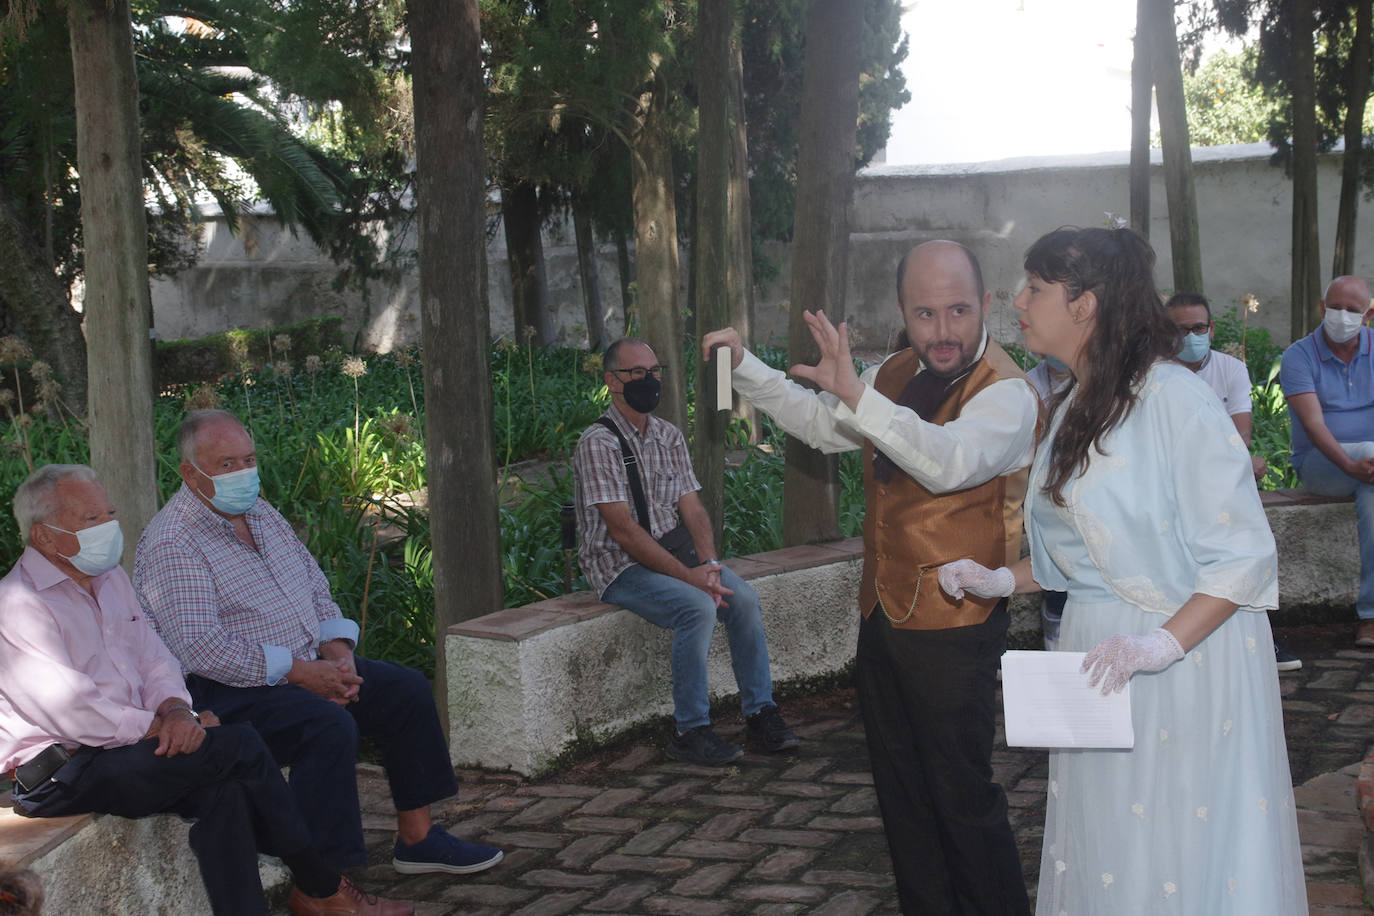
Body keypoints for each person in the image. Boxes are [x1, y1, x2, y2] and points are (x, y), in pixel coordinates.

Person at [940, 227, 1306, 913]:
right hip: (1096, 654)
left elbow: (1243, 554)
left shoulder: (1175, 399)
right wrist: (1000, 579)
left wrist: (1156, 645)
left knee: (1175, 841)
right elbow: (1082, 549)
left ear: (1086, 303)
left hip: (1182, 660)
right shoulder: (1078, 400)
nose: (1017, 301)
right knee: (1106, 846)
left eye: (1036, 287)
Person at [704, 240, 1039, 914]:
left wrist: (856, 393)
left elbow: (947, 462)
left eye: (957, 310)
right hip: (883, 615)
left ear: (987, 305)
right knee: (903, 797)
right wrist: (744, 369)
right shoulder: (893, 371)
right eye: (924, 313)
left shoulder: (1010, 394)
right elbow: (825, 425)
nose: (941, 331)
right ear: (901, 311)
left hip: (957, 626)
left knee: (962, 798)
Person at [0, 464, 410, 916]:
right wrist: (160, 726)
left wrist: (177, 711)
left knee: (226, 792)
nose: (108, 528)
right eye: (91, 520)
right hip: (61, 771)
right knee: (240, 744)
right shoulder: (17, 605)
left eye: (109, 514)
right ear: (44, 537)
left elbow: (155, 657)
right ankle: (322, 884)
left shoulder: (109, 578)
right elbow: (72, 708)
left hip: (126, 749)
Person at [133, 410, 502, 877]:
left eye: (248, 459)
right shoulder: (173, 540)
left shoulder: (260, 511)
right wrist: (298, 673)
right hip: (226, 690)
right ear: (191, 473)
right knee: (325, 727)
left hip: (303, 667)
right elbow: (201, 648)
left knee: (403, 689)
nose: (244, 473)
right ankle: (324, 882)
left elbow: (312, 583)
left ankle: (419, 839)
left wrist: (338, 651)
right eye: (226, 464)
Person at [572, 337, 798, 767]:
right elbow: (622, 531)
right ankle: (690, 731)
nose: (649, 380)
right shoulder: (597, 443)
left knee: (743, 600)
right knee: (697, 607)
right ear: (611, 381)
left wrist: (710, 565)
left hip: (671, 555)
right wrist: (689, 578)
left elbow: (692, 508)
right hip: (619, 567)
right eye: (636, 373)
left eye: (655, 371)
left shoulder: (667, 435)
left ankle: (760, 712)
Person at [1167, 292, 1301, 672]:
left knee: (1246, 543)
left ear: (1210, 329)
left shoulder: (1230, 369)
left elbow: (1240, 437)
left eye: (1198, 327)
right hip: (1170, 483)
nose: (1191, 336)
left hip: (1218, 477)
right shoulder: (1154, 372)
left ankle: (1260, 637)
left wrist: (1223, 461)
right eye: (1180, 329)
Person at [1279, 276, 1374, 647]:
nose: (1343, 316)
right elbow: (1314, 425)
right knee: (1368, 457)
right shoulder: (1299, 356)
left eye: (1353, 310)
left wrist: (1362, 469)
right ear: (1322, 307)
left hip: (1366, 471)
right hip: (1321, 465)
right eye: (1336, 307)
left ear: (1367, 315)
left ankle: (1370, 616)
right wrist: (1351, 464)